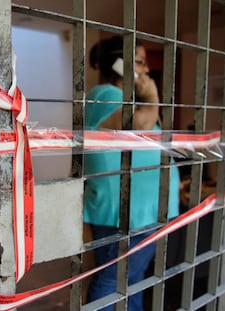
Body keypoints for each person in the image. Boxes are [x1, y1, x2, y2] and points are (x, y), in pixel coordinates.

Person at [83, 35, 180, 310]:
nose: (146, 70)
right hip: (128, 214)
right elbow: (138, 124)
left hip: (136, 213)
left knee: (129, 281)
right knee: (115, 281)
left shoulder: (117, 97)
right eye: (139, 62)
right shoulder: (107, 95)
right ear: (118, 65)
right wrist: (151, 98)